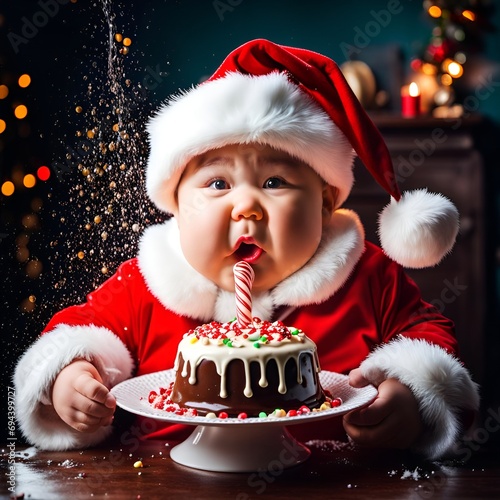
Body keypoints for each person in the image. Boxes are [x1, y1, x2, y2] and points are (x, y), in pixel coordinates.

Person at [15, 39, 479, 458]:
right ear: (175, 203)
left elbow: (427, 333)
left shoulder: (366, 275)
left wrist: (412, 394)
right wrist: (70, 379)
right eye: (218, 183)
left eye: (274, 182)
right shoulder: (146, 283)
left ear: (323, 203)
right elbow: (75, 330)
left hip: (332, 481)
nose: (246, 208)